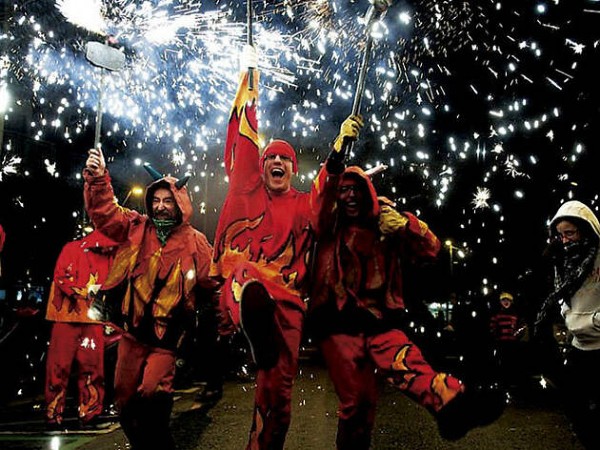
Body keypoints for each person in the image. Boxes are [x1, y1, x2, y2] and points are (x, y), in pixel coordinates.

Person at [209, 44, 362, 449]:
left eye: (285, 160)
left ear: (293, 170)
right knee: (246, 280)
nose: (276, 163)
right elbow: (246, 136)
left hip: (288, 306)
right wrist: (250, 73)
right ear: (260, 167)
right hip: (245, 291)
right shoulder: (246, 188)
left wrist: (338, 151)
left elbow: (325, 195)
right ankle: (251, 322)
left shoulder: (301, 204)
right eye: (270, 158)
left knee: (278, 398)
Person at [308, 166, 505, 448]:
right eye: (344, 189)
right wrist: (337, 156)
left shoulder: (386, 221)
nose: (351, 195)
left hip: (380, 323)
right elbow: (319, 199)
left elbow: (432, 248)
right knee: (357, 402)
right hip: (339, 326)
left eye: (357, 189)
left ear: (369, 194)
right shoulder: (328, 223)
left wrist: (404, 224)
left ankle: (454, 405)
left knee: (411, 365)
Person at [83, 148, 218, 450]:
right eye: (155, 201)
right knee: (124, 396)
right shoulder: (135, 227)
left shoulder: (196, 242)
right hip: (132, 332)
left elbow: (213, 282)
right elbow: (106, 214)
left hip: (167, 336)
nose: (160, 207)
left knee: (153, 391)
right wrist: (97, 178)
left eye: (168, 201)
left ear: (180, 203)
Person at [535, 200, 600, 449]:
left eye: (570, 233)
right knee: (573, 405)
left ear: (586, 229)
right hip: (579, 345)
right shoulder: (562, 260)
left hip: (599, 342)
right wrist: (566, 316)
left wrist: (594, 321)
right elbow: (561, 293)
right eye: (561, 235)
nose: (565, 241)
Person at [45, 229, 117, 427]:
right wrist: (86, 292)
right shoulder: (73, 248)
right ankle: (55, 411)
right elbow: (61, 276)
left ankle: (90, 411)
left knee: (92, 367)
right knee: (59, 366)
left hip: (91, 319)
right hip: (66, 317)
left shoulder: (112, 255)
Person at [489, 291, 526, 390]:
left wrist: (517, 335)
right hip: (501, 343)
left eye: (508, 300)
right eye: (503, 300)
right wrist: (496, 336)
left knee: (511, 363)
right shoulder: (497, 315)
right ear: (500, 302)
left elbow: (522, 327)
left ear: (511, 302)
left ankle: (510, 383)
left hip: (512, 343)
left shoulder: (515, 315)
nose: (506, 302)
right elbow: (492, 328)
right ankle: (502, 383)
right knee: (502, 363)